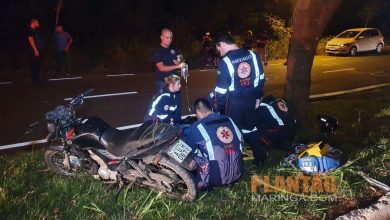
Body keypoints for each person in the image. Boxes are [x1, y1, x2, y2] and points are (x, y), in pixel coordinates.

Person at [210, 32, 266, 166]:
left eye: (218, 49)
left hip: (234, 103)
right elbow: (261, 78)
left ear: (221, 45)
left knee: (233, 133)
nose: (219, 52)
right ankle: (261, 158)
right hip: (251, 99)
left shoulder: (225, 62)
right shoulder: (252, 54)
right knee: (251, 128)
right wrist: (257, 97)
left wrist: (218, 109)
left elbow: (221, 91)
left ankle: (236, 165)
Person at [185, 98, 244, 190]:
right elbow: (241, 139)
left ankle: (203, 182)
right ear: (210, 108)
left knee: (191, 152)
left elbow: (188, 148)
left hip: (216, 178)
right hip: (237, 172)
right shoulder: (229, 119)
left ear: (198, 112)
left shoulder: (198, 126)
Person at [151, 28, 186, 93]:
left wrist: (181, 63)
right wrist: (177, 66)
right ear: (161, 37)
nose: (169, 40)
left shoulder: (175, 49)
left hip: (175, 82)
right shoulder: (157, 51)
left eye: (171, 38)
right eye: (167, 37)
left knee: (176, 102)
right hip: (163, 83)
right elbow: (161, 68)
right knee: (164, 102)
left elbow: (181, 61)